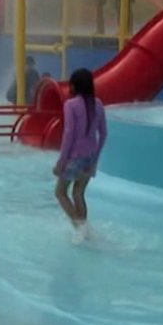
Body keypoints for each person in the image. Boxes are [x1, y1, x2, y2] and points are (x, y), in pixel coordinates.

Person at [53, 68, 108, 237]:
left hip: (75, 156)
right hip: (90, 155)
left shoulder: (70, 105)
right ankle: (85, 231)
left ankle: (80, 228)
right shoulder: (98, 104)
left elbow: (69, 133)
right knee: (78, 192)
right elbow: (104, 133)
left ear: (74, 86)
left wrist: (61, 162)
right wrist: (95, 160)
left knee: (60, 192)